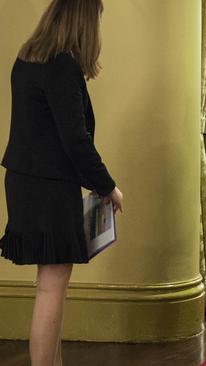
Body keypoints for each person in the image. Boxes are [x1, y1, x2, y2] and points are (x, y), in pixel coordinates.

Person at [0, 1, 123, 365]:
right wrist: (108, 186)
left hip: (23, 181)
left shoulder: (27, 59)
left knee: (47, 285)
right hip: (50, 187)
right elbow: (75, 140)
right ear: (84, 22)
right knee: (52, 287)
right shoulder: (63, 65)